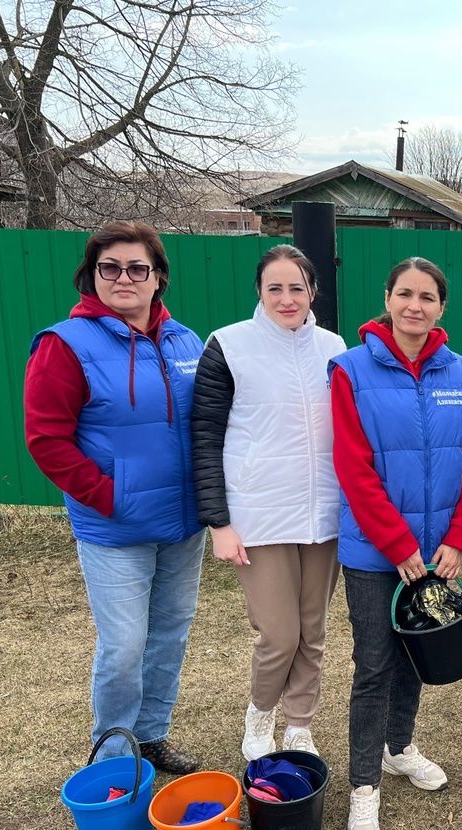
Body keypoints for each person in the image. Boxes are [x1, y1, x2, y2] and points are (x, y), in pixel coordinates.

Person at [24, 221, 205, 773]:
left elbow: (210, 423)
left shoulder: (186, 341)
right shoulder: (64, 346)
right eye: (110, 268)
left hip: (182, 524)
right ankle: (114, 752)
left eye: (137, 268)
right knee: (124, 645)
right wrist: (108, 496)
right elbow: (46, 440)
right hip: (115, 527)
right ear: (92, 275)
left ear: (158, 278)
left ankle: (151, 734)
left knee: (169, 636)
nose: (123, 278)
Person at [329, 256, 462, 830]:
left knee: (419, 654)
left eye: (427, 297)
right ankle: (363, 785)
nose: (415, 306)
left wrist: (459, 538)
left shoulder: (460, 371)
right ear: (387, 298)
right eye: (405, 295)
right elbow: (353, 467)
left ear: (441, 307)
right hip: (375, 554)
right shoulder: (348, 371)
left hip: (437, 554)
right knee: (374, 666)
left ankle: (399, 748)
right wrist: (396, 544)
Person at [190, 244, 347, 763]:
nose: (286, 298)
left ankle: (299, 724)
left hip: (322, 514)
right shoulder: (229, 345)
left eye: (296, 287)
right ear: (259, 290)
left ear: (312, 292)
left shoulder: (334, 346)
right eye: (274, 287)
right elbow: (205, 436)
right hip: (257, 516)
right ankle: (261, 714)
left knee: (313, 632)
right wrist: (219, 523)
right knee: (279, 635)